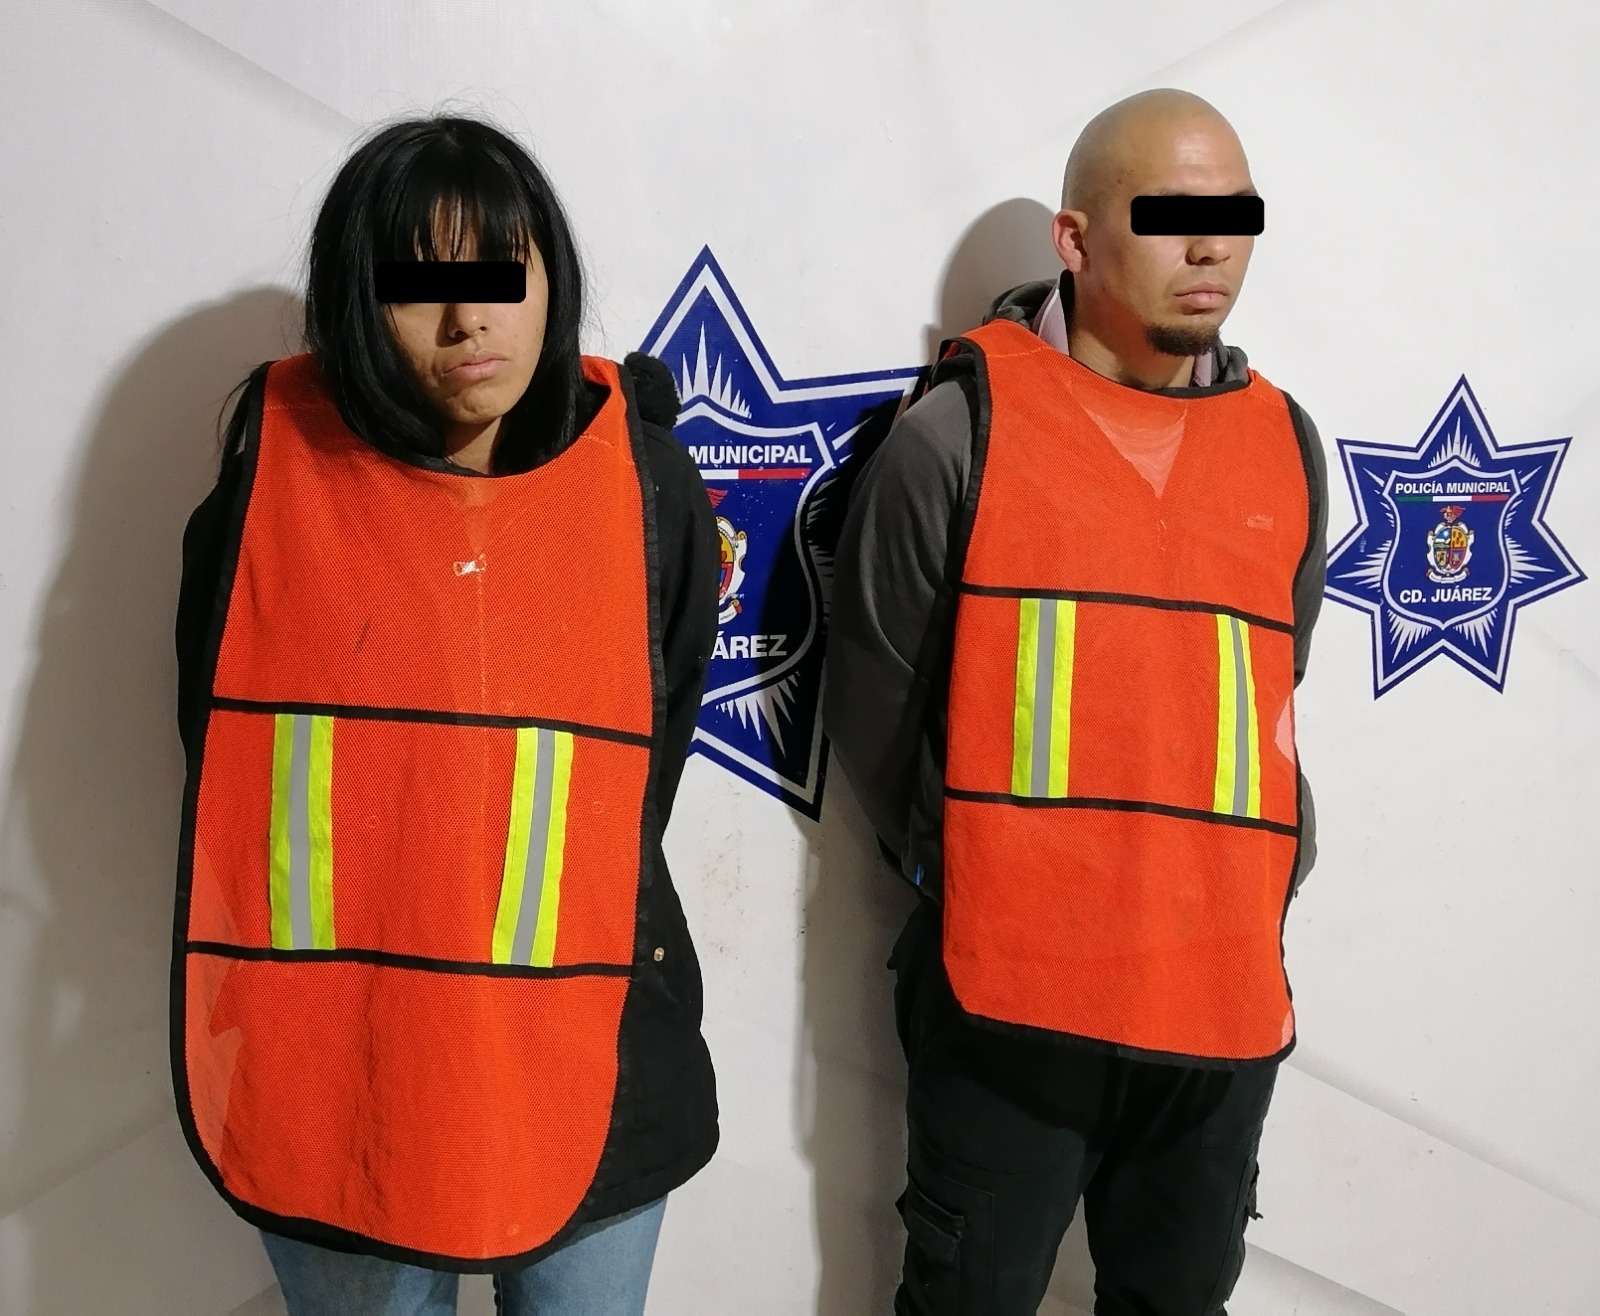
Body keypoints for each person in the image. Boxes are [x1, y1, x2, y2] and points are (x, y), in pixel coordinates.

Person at [171, 114, 720, 1316]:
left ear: (549, 279)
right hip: (337, 1071)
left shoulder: (648, 489)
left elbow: (651, 758)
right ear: (357, 308)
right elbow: (225, 759)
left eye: (499, 273)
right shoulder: (267, 498)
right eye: (418, 285)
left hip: (598, 1047)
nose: (469, 320)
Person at [825, 88, 1330, 1315]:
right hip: (1007, 1012)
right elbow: (879, 716)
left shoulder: (1286, 443)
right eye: (1168, 216)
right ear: (1074, 238)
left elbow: (1273, 690)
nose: (1209, 247)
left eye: (1234, 217)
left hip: (1220, 1006)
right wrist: (991, 881)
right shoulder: (957, 433)